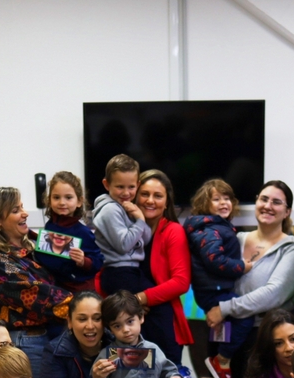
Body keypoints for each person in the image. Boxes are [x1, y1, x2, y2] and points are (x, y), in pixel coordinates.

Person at [205, 180, 294, 378]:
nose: (268, 206)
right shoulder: (235, 239)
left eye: (276, 202)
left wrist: (225, 308)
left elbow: (273, 294)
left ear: (287, 212)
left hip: (264, 340)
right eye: (264, 199)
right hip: (223, 333)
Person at [0, 185, 73, 378]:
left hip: (56, 333)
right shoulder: (0, 260)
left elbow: (80, 252)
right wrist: (86, 306)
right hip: (31, 341)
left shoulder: (34, 243)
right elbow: (38, 294)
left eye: (22, 207)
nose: (25, 213)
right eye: (16, 210)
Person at [184, 179, 249, 378]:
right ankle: (222, 360)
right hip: (212, 293)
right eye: (216, 199)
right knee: (245, 317)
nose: (223, 203)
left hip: (213, 291)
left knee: (224, 331)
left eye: (227, 198)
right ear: (205, 204)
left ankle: (221, 366)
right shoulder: (210, 229)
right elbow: (215, 260)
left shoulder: (216, 226)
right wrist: (242, 266)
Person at [133, 169, 194, 366]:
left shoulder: (174, 231)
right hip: (126, 324)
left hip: (162, 325)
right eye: (145, 194)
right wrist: (124, 303)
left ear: (167, 202)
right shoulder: (123, 230)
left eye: (158, 196)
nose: (150, 201)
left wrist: (139, 299)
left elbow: (181, 282)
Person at [94, 154, 152, 296]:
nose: (126, 193)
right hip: (117, 272)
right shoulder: (110, 209)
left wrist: (138, 216)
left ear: (138, 185)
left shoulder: (127, 207)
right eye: (120, 187)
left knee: (157, 300)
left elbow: (145, 239)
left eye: (131, 187)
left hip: (132, 270)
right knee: (133, 307)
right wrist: (140, 220)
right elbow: (124, 245)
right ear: (106, 184)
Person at [38, 170, 103, 290]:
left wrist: (83, 261)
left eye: (68, 197)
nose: (62, 202)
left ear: (79, 201)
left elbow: (98, 261)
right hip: (54, 285)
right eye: (56, 197)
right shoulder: (49, 226)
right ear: (49, 200)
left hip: (78, 288)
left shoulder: (83, 232)